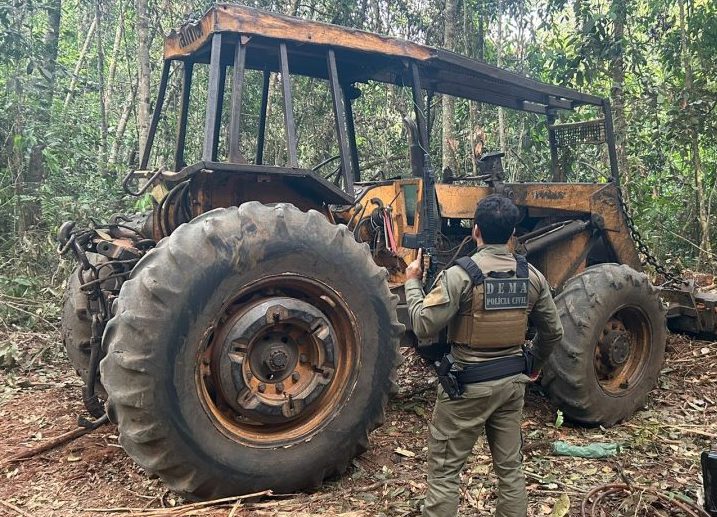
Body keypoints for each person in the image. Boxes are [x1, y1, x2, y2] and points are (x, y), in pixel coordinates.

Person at [405, 194, 564, 517]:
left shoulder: (460, 275)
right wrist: (532, 363)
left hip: (467, 385)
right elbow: (553, 332)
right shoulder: (531, 276)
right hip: (511, 385)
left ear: (475, 231)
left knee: (446, 473)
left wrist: (412, 283)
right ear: (512, 235)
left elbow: (423, 325)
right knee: (510, 470)